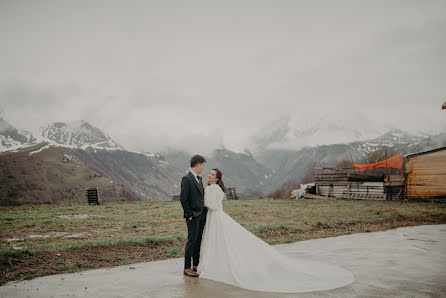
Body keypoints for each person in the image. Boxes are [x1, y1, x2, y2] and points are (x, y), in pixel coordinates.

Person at [196, 168, 355, 293]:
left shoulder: (215, 189)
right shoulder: (212, 188)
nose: (209, 175)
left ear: (217, 178)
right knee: (215, 242)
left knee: (221, 241)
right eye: (209, 173)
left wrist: (204, 190)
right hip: (213, 218)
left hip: (216, 217)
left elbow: (214, 206)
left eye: (212, 174)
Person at [179, 154, 208, 277]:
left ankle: (195, 265)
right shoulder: (187, 178)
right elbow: (183, 198)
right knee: (192, 240)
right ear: (199, 164)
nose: (203, 168)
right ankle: (187, 267)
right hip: (193, 216)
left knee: (198, 240)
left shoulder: (199, 178)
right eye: (203, 165)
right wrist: (189, 214)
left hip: (202, 214)